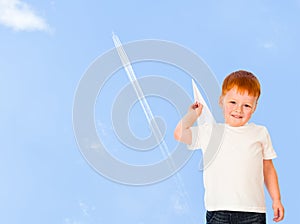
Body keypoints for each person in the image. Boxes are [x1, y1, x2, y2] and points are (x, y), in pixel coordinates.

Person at [174, 70, 284, 223]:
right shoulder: (210, 132)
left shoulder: (260, 133)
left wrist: (276, 199)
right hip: (219, 211)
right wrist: (192, 115)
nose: (238, 110)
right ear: (221, 101)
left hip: (253, 212)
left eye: (246, 105)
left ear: (254, 107)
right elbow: (180, 134)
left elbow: (268, 168)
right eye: (233, 102)